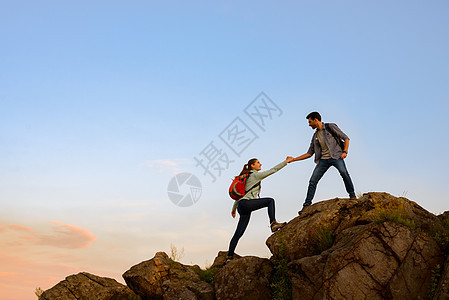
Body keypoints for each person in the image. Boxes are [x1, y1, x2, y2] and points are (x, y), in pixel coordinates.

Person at [226, 156, 294, 263]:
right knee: (270, 201)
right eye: (258, 162)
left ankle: (229, 257)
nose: (260, 164)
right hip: (246, 204)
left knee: (238, 234)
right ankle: (273, 223)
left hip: (242, 207)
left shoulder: (246, 177)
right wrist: (285, 162)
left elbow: (241, 195)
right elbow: (273, 170)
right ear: (252, 166)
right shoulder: (255, 175)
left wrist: (234, 209)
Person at [291, 112, 356, 215]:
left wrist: (345, 151)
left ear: (316, 120)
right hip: (323, 160)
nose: (309, 124)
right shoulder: (315, 136)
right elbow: (309, 153)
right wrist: (294, 159)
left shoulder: (330, 127)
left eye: (310, 122)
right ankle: (306, 205)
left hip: (336, 156)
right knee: (312, 181)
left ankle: (352, 196)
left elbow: (346, 138)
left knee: (344, 173)